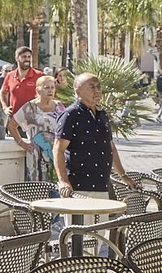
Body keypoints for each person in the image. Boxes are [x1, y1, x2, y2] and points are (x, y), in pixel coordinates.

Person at [54, 71, 134, 199]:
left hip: (102, 185)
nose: (97, 90)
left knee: (102, 219)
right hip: (78, 188)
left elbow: (110, 147)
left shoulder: (102, 114)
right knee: (79, 220)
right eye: (92, 87)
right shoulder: (70, 115)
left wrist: (123, 176)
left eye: (99, 86)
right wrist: (63, 181)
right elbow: (58, 149)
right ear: (78, 91)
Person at [10, 74, 64, 183]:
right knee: (40, 190)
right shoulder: (29, 107)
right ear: (38, 90)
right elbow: (11, 125)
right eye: (46, 87)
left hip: (58, 154)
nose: (50, 90)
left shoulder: (59, 106)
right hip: (37, 157)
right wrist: (21, 143)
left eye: (52, 88)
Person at [1, 46, 44, 116]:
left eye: (29, 57)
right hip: (14, 119)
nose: (27, 59)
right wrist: (5, 108)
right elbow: (3, 92)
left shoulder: (39, 75)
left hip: (33, 119)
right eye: (24, 57)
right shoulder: (10, 75)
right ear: (17, 58)